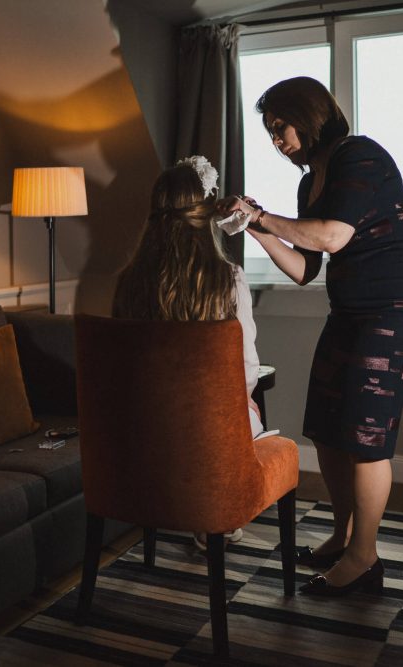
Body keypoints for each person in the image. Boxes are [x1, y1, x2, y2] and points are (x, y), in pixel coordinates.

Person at [217, 76, 403, 597]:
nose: (276, 139)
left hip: (397, 305)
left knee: (364, 435)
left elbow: (334, 235)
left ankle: (365, 559)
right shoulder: (307, 181)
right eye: (269, 132)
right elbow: (304, 269)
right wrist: (255, 228)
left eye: (280, 127)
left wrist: (265, 215)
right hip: (350, 309)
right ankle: (342, 537)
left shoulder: (359, 156)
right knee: (325, 424)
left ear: (308, 114)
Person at [113, 156, 267, 549]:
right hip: (208, 435)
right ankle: (214, 511)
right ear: (204, 216)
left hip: (141, 430)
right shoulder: (227, 279)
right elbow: (246, 371)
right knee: (245, 407)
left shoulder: (129, 283)